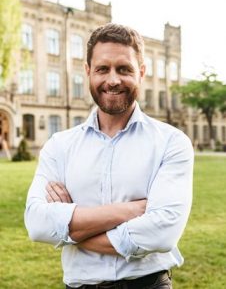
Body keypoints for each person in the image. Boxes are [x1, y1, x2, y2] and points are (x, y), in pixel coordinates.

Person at [24, 23, 194, 289]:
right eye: (103, 69)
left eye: (124, 69)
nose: (113, 80)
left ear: (142, 73)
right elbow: (36, 223)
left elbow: (162, 233)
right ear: (88, 71)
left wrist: (69, 230)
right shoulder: (60, 146)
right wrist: (131, 210)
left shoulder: (171, 142)